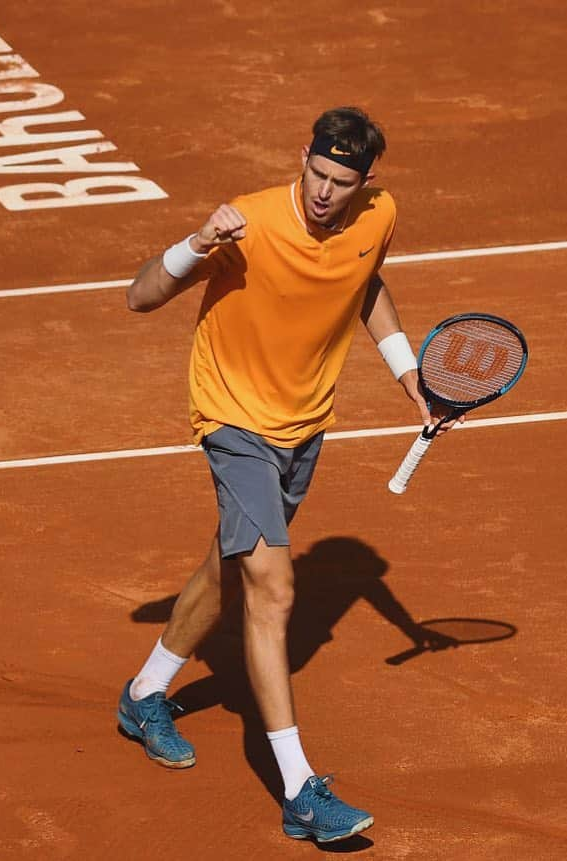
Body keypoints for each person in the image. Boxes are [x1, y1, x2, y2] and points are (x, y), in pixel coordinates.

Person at [116, 106, 457, 844]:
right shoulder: (252, 224)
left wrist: (408, 375)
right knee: (272, 586)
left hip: (304, 427)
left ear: (369, 182)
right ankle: (301, 790)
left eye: (341, 181)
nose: (324, 193)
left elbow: (366, 284)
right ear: (300, 156)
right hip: (232, 419)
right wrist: (192, 243)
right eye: (316, 173)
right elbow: (139, 295)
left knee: (229, 566)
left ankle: (144, 692)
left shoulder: (378, 214)